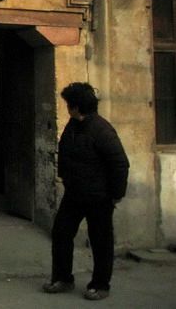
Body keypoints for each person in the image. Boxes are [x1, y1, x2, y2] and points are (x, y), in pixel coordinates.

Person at [42, 82, 130, 301]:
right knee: (61, 233)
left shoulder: (101, 130)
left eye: (69, 104)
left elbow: (119, 163)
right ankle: (63, 278)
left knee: (100, 241)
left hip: (99, 196)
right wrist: (64, 176)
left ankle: (100, 285)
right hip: (75, 193)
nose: (67, 108)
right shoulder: (73, 126)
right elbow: (65, 152)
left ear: (76, 106)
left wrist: (116, 194)